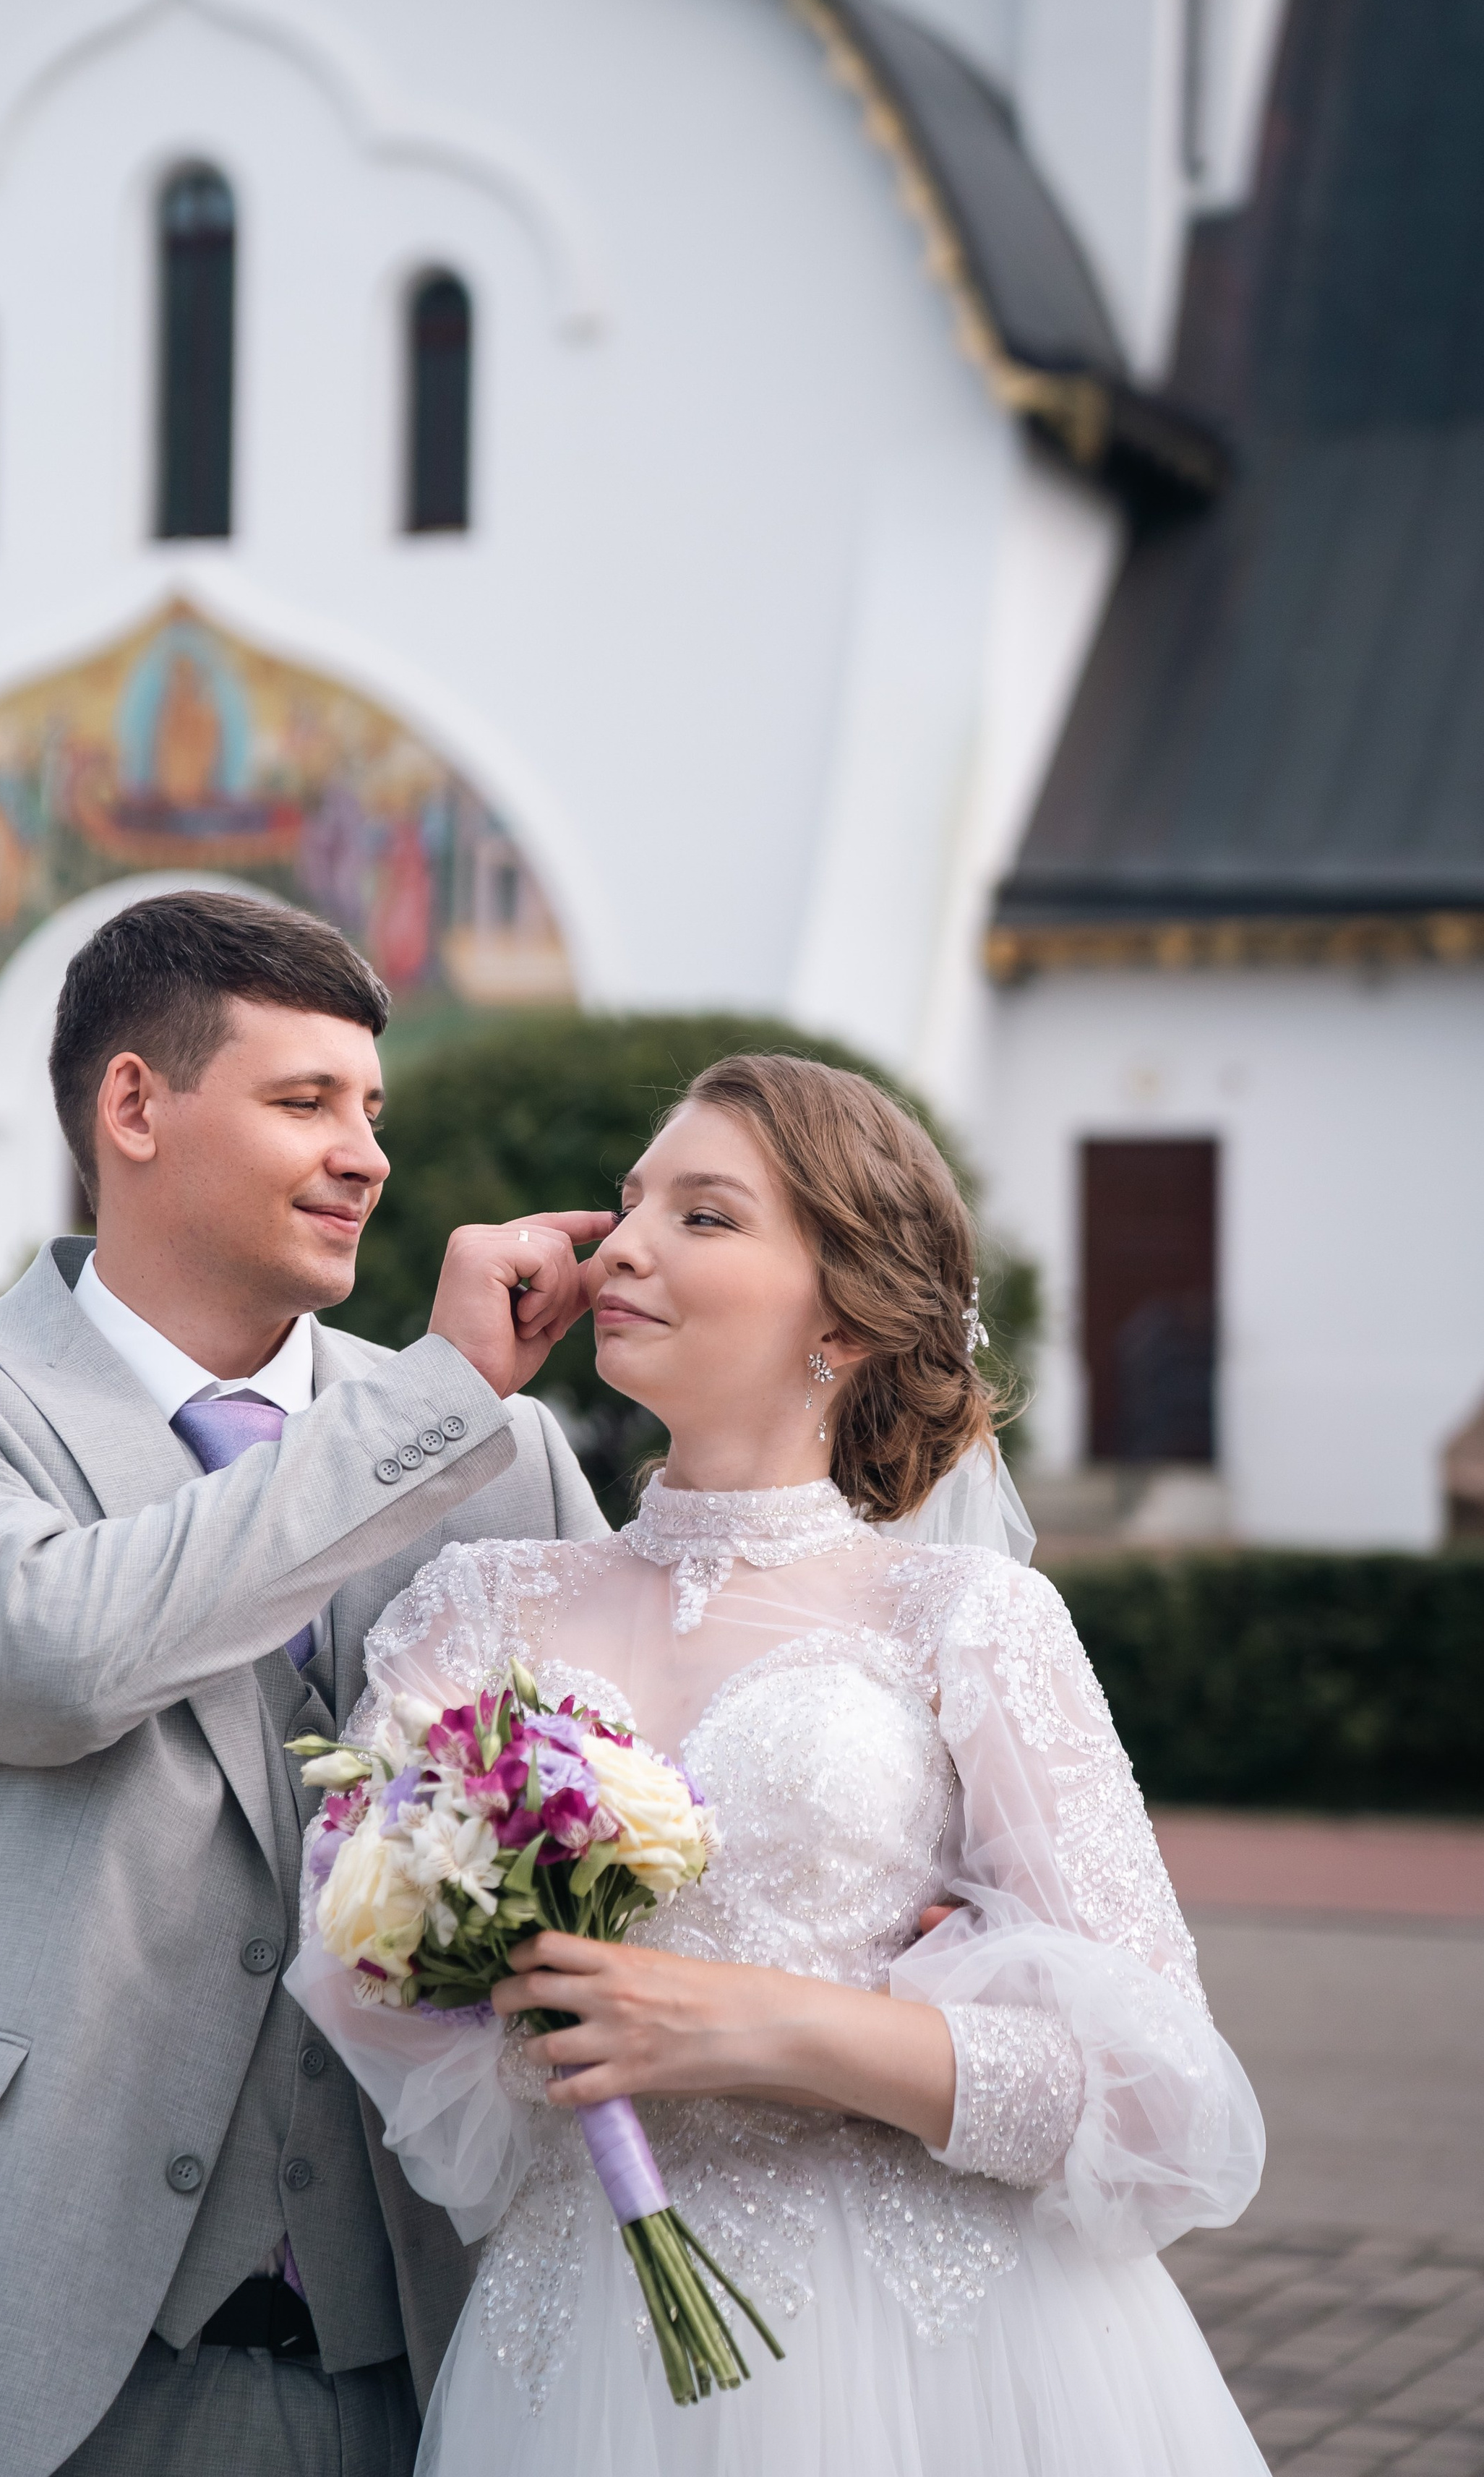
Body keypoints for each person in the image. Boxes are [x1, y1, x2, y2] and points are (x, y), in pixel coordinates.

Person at [0, 889, 610, 2477]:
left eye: (372, 1110)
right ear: (132, 1106)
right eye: (306, 1102)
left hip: (433, 2365)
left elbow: (641, 1796)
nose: (366, 1156)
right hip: (26, 2355)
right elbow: (53, 1658)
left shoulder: (509, 1458)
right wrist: (431, 1406)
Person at [304, 1053, 1269, 2476]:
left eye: (703, 1215)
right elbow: (360, 1967)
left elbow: (1154, 2097)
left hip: (934, 2349)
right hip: (587, 2330)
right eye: (631, 1202)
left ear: (847, 1314)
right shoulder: (477, 1607)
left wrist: (779, 2031)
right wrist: (520, 2007)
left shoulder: (967, 1619)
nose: (624, 1245)